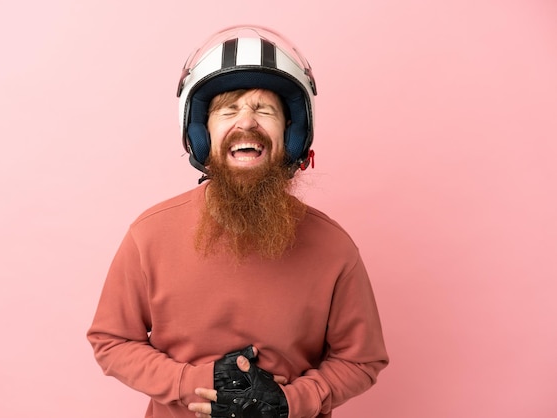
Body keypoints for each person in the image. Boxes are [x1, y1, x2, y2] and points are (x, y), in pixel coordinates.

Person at [87, 25, 388, 418]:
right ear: (201, 135)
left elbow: (363, 360)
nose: (246, 123)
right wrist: (195, 382)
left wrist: (290, 402)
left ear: (292, 136)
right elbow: (111, 341)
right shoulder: (149, 234)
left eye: (265, 110)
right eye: (229, 110)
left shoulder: (334, 246)